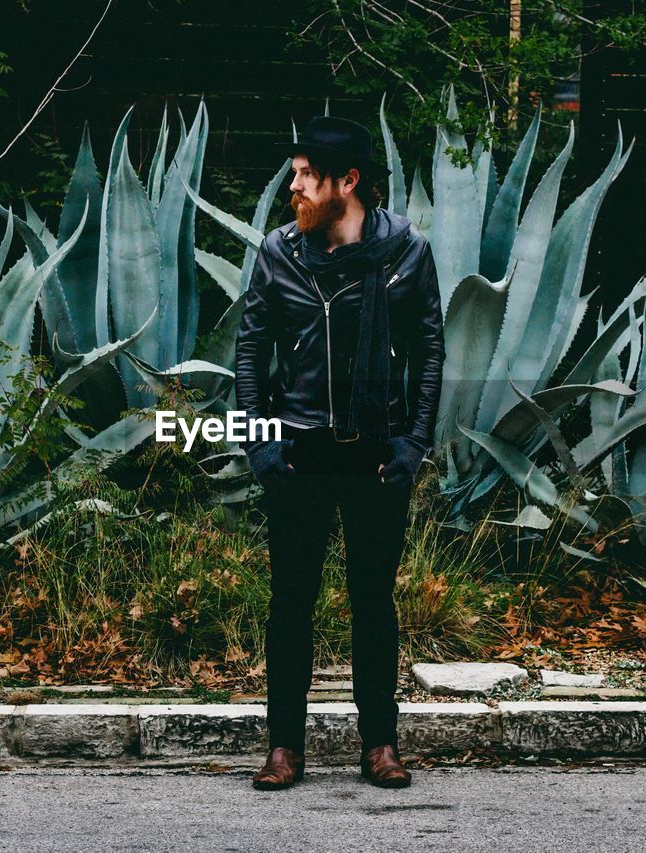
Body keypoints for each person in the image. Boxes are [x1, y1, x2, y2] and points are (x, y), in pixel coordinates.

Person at [234, 115, 446, 790]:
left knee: (373, 602)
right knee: (289, 602)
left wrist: (413, 442)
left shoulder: (405, 251)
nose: (292, 185)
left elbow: (429, 349)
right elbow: (249, 349)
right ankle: (283, 747)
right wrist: (259, 441)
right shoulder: (279, 253)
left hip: (375, 455)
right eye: (294, 172)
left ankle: (379, 743)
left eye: (304, 175)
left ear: (347, 182)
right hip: (295, 455)